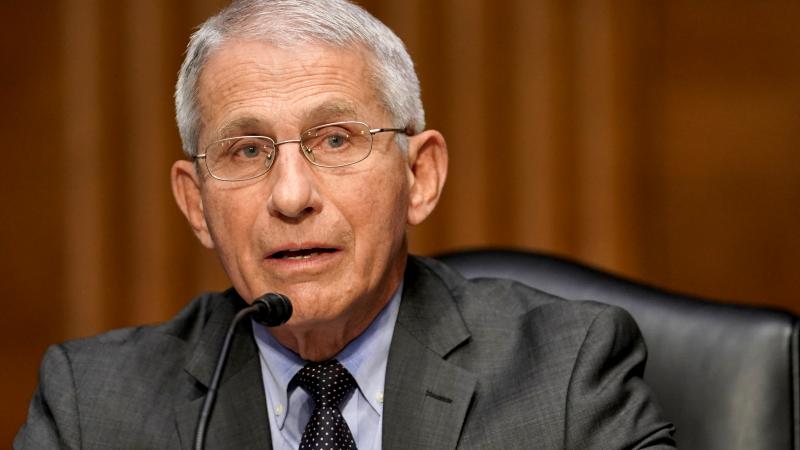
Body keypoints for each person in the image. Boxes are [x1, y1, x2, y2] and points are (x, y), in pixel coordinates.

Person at [14, 0, 675, 448]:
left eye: (334, 141)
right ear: (196, 204)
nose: (293, 196)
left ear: (420, 177)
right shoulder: (92, 410)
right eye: (247, 151)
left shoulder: (563, 374)